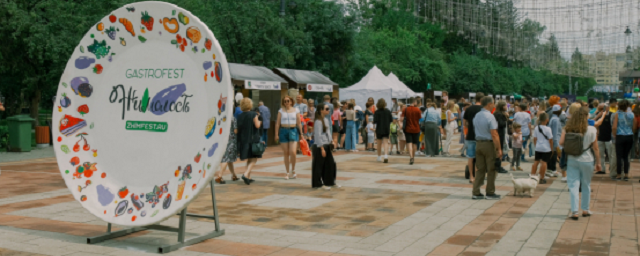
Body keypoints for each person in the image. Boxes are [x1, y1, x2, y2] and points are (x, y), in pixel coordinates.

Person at [560, 106, 600, 220]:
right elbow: (596, 148)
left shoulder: (567, 128)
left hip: (572, 159)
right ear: (586, 117)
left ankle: (574, 211)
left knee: (573, 185)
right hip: (587, 160)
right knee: (586, 184)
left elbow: (561, 143)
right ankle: (585, 209)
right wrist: (599, 162)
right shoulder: (592, 129)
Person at [471, 96, 501, 200]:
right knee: (491, 168)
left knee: (480, 169)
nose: (493, 105)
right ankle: (490, 192)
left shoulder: (477, 115)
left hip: (478, 143)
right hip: (488, 144)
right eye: (493, 103)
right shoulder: (490, 116)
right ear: (489, 104)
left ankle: (476, 191)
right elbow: (494, 134)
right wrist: (499, 149)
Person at [275, 95, 304, 180]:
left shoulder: (296, 110)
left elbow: (299, 123)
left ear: (291, 101)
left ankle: (293, 170)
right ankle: (287, 172)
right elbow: (277, 123)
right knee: (286, 153)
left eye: (288, 101)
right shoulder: (281, 111)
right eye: (285, 101)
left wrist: (301, 134)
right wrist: (276, 134)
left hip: (293, 130)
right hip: (283, 131)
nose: (286, 103)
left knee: (293, 152)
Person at [236, 98, 263, 185]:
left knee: (249, 158)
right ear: (250, 105)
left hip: (243, 140)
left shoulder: (240, 115)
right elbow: (257, 125)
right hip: (253, 139)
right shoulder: (253, 114)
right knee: (254, 158)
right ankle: (246, 174)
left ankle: (248, 176)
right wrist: (260, 120)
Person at [312, 103, 337, 190]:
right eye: (326, 109)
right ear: (321, 110)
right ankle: (317, 184)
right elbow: (317, 136)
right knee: (318, 166)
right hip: (320, 146)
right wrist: (321, 148)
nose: (328, 110)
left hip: (326, 145)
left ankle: (330, 181)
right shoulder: (318, 122)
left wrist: (331, 141)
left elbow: (328, 132)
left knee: (331, 164)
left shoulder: (326, 120)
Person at [464, 92, 485, 184]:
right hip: (480, 136)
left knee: (470, 157)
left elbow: (465, 123)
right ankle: (477, 176)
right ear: (482, 100)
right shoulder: (483, 110)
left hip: (470, 135)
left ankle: (471, 176)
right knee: (480, 157)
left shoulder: (469, 109)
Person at [612, 99, 635, 181]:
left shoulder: (617, 114)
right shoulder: (632, 114)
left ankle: (618, 175)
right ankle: (626, 174)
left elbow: (614, 127)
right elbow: (634, 126)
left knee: (619, 156)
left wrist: (614, 135)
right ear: (628, 106)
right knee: (626, 156)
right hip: (629, 136)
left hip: (620, 135)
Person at [215, 109, 239, 184]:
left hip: (223, 139)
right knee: (227, 158)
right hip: (231, 141)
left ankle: (234, 175)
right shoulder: (233, 119)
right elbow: (235, 131)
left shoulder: (221, 118)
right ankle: (220, 175)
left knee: (228, 158)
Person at [532, 112, 553, 184]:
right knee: (544, 163)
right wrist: (552, 148)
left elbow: (535, 138)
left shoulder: (536, 128)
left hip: (538, 147)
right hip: (546, 148)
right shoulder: (548, 129)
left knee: (536, 162)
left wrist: (536, 145)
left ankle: (532, 176)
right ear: (547, 120)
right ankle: (542, 177)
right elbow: (550, 140)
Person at [401, 97, 422, 165]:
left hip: (408, 129)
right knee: (415, 144)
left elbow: (401, 119)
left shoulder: (405, 109)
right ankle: (413, 156)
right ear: (414, 102)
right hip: (416, 129)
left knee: (409, 143)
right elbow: (420, 119)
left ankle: (411, 157)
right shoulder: (417, 109)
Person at [546, 105, 562, 178]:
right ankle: (553, 169)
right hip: (555, 140)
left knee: (551, 155)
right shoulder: (555, 119)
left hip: (552, 140)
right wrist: (556, 144)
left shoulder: (553, 118)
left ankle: (550, 169)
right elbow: (555, 133)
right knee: (554, 155)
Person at [493, 101, 509, 173]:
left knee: (498, 150)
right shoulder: (499, 114)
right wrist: (506, 118)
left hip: (499, 133)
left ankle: (497, 165)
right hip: (500, 134)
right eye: (505, 106)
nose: (506, 107)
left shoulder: (496, 113)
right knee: (500, 150)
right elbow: (501, 124)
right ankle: (498, 166)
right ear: (502, 106)